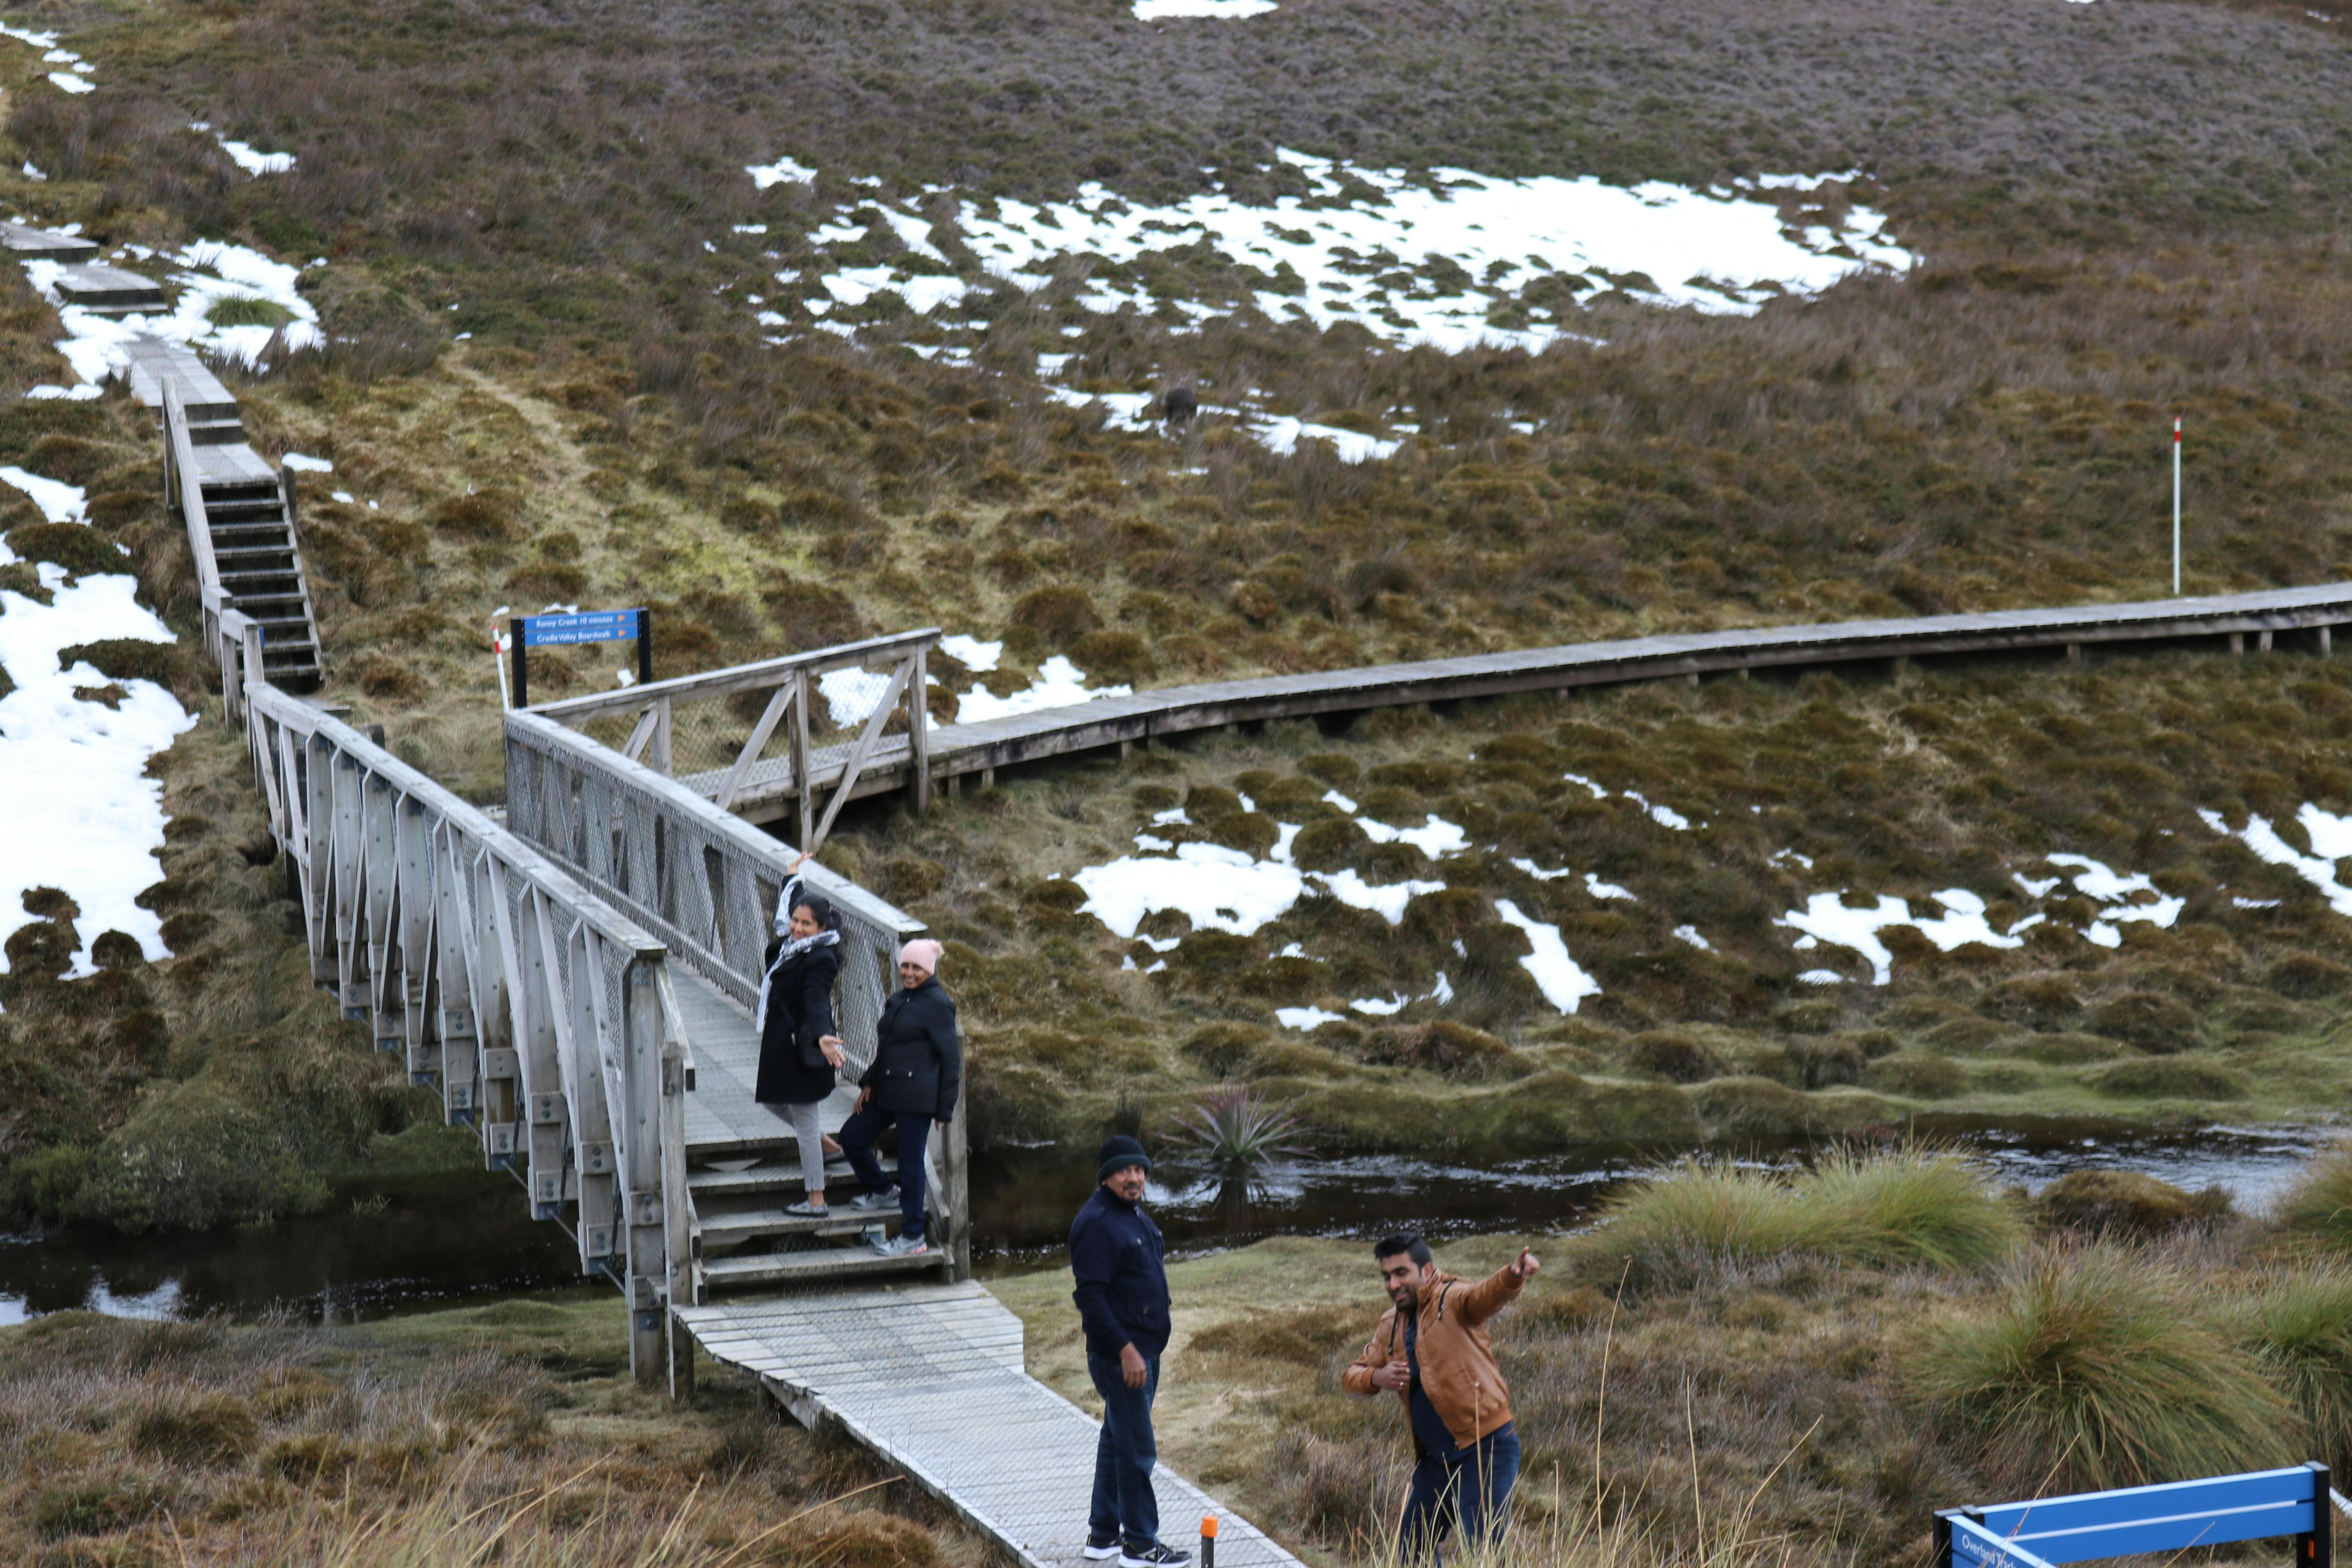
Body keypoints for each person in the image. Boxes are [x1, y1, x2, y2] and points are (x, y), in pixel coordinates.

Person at [1342, 1234, 1540, 1564]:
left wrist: (1512, 1276)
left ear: (1427, 1270)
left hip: (1485, 1448)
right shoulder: (1390, 1323)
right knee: (1412, 1553)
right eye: (1387, 1277)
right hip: (1436, 1461)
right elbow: (1351, 1377)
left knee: (1484, 1554)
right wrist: (1377, 1377)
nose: (1393, 1284)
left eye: (1402, 1273)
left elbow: (1484, 1296)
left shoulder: (1452, 1298)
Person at [1070, 1135, 1186, 1568]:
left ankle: (1103, 1535)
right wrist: (1126, 1351)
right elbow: (1090, 1298)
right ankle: (1140, 1543)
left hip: (1143, 1350)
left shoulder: (1131, 1213)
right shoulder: (1096, 1223)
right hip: (1124, 1358)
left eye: (1139, 1170)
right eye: (1125, 1171)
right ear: (1106, 1176)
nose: (1134, 1178)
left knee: (1118, 1437)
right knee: (1138, 1448)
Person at [837, 937, 960, 1257]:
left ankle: (913, 1236)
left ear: (929, 970)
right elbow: (887, 1050)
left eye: (916, 968)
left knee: (910, 1166)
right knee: (852, 1136)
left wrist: (943, 1110)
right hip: (886, 1090)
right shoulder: (898, 1000)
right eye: (905, 966)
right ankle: (882, 1190)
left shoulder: (938, 1005)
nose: (909, 972)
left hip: (917, 1099)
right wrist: (868, 1082)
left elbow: (950, 1060)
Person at [752, 857, 846, 1216]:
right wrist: (792, 877)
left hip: (806, 1047)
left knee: (805, 1123)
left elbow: (817, 1000)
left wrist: (823, 1036)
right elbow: (789, 904)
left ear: (822, 927)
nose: (796, 928)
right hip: (783, 1045)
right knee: (774, 1102)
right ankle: (829, 1147)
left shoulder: (820, 958)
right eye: (795, 921)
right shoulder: (793, 946)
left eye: (806, 924)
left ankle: (816, 1200)